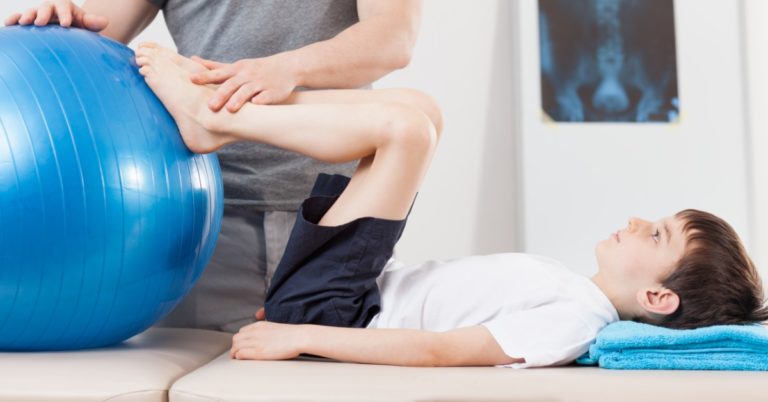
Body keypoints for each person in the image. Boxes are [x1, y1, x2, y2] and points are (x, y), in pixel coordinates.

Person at [136, 44, 768, 367]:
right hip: (347, 292)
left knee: (406, 133)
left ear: (659, 298)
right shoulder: (572, 288)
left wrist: (295, 335)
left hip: (337, 314)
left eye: (654, 236)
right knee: (420, 110)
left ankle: (214, 120)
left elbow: (440, 352)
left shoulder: (575, 323)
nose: (635, 222)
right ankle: (223, 114)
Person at [6, 0, 423, 332]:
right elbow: (97, 38)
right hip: (203, 223)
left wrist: (289, 68)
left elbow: (393, 36)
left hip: (338, 216)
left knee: (325, 384)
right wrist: (65, 23)